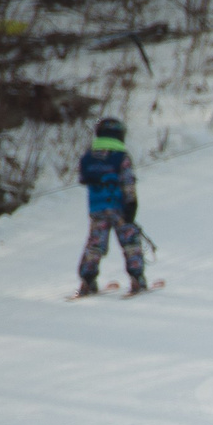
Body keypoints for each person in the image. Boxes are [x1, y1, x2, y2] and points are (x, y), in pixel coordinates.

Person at [74, 117, 143, 298]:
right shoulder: (120, 157)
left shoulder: (89, 156)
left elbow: (82, 178)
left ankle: (87, 280)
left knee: (96, 244)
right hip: (120, 208)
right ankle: (137, 278)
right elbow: (128, 181)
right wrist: (132, 204)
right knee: (130, 241)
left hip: (97, 208)